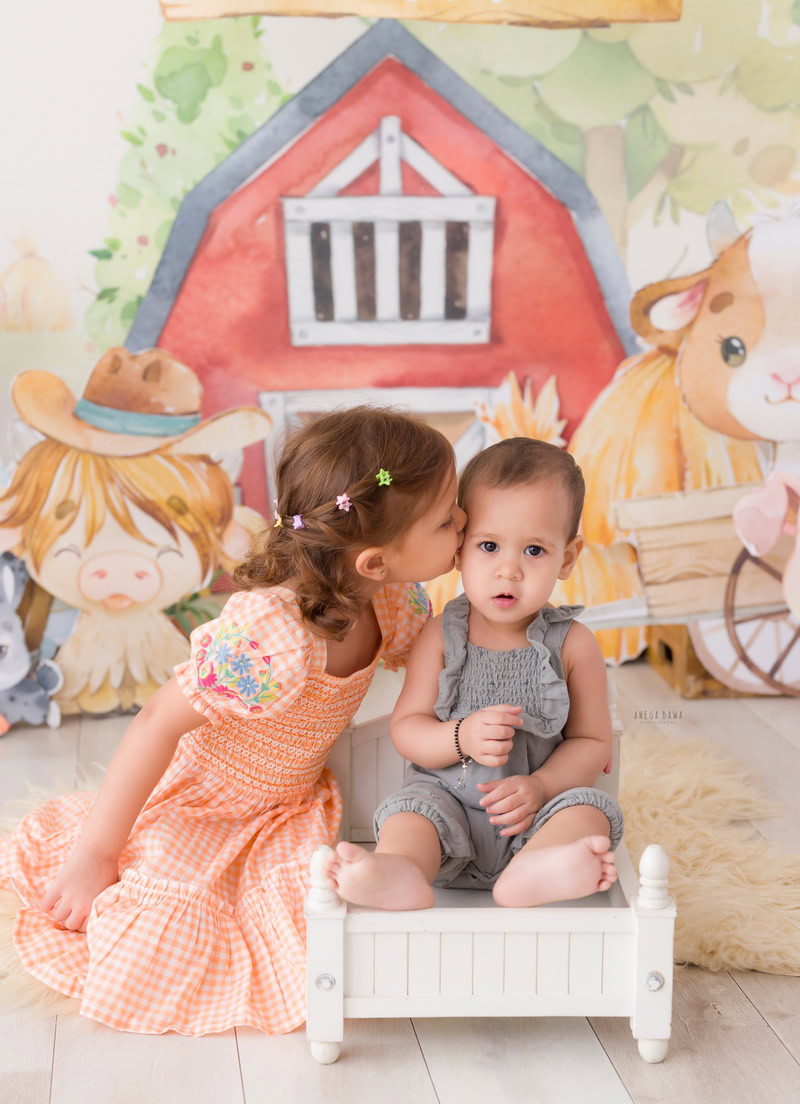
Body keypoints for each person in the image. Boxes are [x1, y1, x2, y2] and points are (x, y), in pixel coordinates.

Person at [0, 406, 465, 1035]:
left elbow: (449, 659)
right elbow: (155, 725)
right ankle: (96, 852)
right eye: (448, 519)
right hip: (204, 801)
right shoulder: (273, 636)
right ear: (375, 561)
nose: (465, 524)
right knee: (166, 915)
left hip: (289, 804)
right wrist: (96, 853)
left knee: (307, 907)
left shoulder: (392, 600)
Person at [324, 437, 623, 911]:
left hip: (538, 810)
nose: (509, 571)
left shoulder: (574, 644)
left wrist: (542, 787)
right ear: (460, 550)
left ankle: (535, 870)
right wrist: (460, 736)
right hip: (449, 806)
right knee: (410, 814)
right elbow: (407, 729)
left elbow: (592, 743)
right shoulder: (442, 635)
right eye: (489, 545)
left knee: (589, 812)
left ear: (567, 558)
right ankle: (400, 870)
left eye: (534, 551)